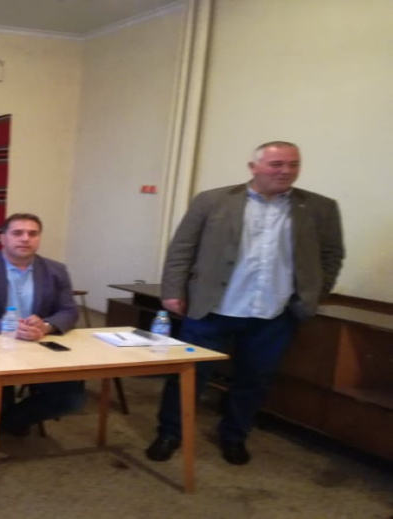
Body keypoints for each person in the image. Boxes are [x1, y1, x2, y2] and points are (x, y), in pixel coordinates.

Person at [145, 141, 345, 466]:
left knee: (254, 380)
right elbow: (182, 248)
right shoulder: (213, 201)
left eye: (293, 164)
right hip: (212, 308)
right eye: (276, 164)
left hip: (274, 313)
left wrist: (315, 293)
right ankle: (170, 433)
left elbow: (331, 255)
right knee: (188, 374)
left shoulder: (320, 208)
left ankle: (234, 436)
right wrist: (172, 290)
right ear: (253, 167)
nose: (286, 171)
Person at [0, 213, 85, 439]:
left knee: (72, 398)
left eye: (32, 234)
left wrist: (46, 326)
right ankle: (4, 419)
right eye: (17, 233)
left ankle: (0, 423)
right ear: (2, 238)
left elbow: (69, 311)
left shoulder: (56, 270)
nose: (25, 238)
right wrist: (6, 327)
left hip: (36, 344)